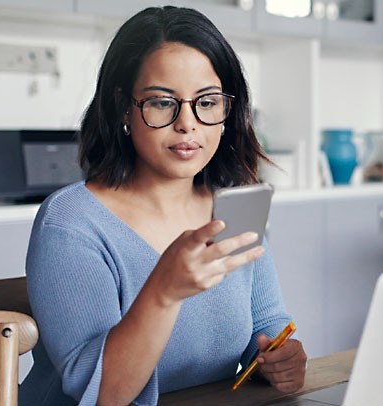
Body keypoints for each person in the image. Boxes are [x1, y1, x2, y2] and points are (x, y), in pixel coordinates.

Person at [20, 6, 306, 405]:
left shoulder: (232, 206)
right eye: (161, 102)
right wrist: (163, 292)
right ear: (123, 106)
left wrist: (281, 359)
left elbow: (267, 325)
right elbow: (103, 394)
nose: (187, 123)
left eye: (206, 102)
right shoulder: (71, 222)